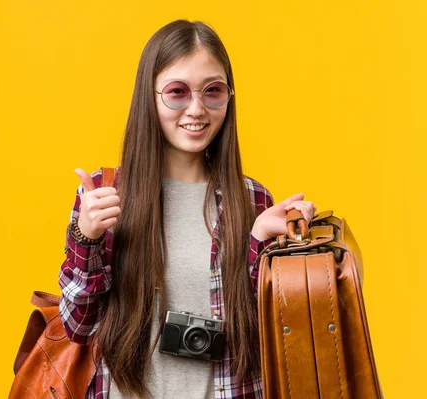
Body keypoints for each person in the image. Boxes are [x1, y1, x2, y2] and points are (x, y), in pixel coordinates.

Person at [59, 19, 316, 399]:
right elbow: (78, 327)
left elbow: (268, 337)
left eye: (213, 91)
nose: (197, 109)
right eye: (177, 92)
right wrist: (87, 235)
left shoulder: (253, 200)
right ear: (149, 96)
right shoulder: (105, 193)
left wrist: (259, 238)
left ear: (229, 97)